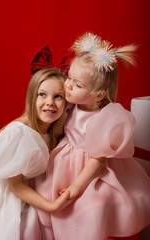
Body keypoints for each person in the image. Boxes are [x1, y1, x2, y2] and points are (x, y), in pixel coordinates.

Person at [35, 33, 150, 240]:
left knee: (91, 209)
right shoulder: (70, 104)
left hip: (90, 172)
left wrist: (76, 188)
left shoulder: (104, 119)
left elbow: (98, 161)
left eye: (77, 85)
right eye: (69, 77)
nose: (68, 84)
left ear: (99, 94)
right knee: (47, 196)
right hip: (63, 164)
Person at [0, 66, 71, 240]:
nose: (50, 102)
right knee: (26, 225)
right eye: (42, 94)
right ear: (31, 97)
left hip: (31, 188)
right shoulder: (19, 133)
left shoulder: (56, 127)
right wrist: (50, 206)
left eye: (58, 96)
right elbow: (16, 185)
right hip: (10, 194)